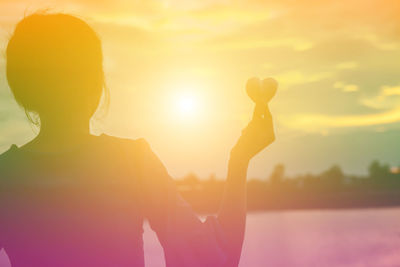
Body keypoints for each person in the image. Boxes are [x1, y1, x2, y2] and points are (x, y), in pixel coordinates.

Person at [0, 12, 275, 267]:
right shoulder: (131, 162)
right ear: (96, 85)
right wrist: (239, 159)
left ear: (22, 92)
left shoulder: (6, 176)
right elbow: (212, 257)